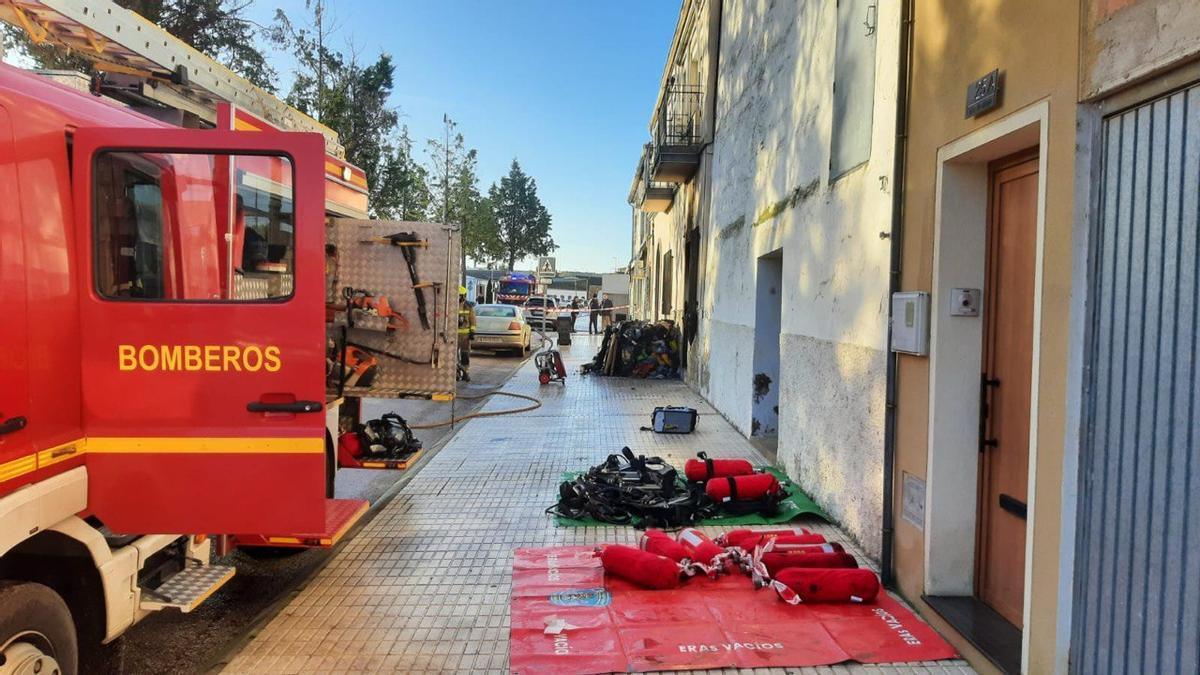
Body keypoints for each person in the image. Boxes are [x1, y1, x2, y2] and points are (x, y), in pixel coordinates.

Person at [457, 286, 476, 381]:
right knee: (453, 356)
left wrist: (472, 332)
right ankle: (456, 372)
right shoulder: (451, 305)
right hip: (454, 336)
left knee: (465, 355)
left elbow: (472, 320)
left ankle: (465, 372)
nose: (458, 298)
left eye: (460, 296)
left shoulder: (468, 306)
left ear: (464, 296)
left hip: (465, 336)